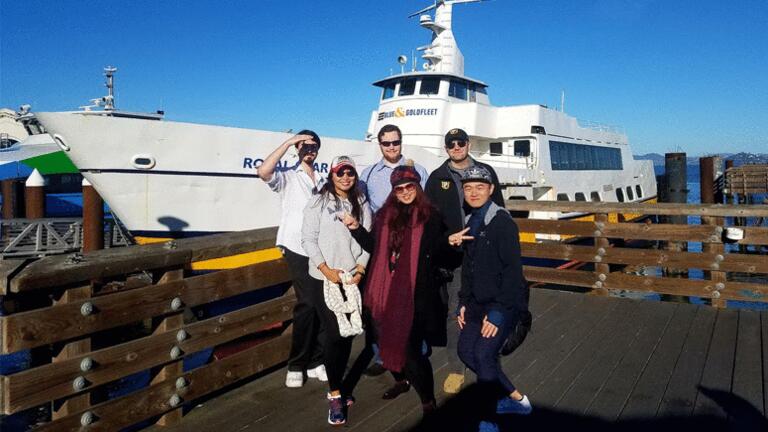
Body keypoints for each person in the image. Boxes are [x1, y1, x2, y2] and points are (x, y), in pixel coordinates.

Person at [342, 162, 459, 417]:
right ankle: (401, 381)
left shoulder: (431, 216)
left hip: (415, 293)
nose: (405, 192)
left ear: (417, 187)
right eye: (399, 188)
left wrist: (448, 243)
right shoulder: (385, 216)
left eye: (410, 186)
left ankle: (427, 400)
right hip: (383, 289)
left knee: (410, 350)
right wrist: (356, 230)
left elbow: (435, 252)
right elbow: (374, 246)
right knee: (382, 339)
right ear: (393, 191)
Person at [448, 165, 532, 431]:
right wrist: (462, 302)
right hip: (476, 303)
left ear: (491, 190)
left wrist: (497, 314)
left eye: (480, 187)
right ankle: (517, 400)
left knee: (484, 355)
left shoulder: (502, 223)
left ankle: (489, 419)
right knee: (465, 350)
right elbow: (469, 269)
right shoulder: (472, 220)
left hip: (503, 305)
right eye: (468, 187)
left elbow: (512, 274)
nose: (473, 192)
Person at [425, 128, 505, 394]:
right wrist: (446, 241)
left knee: (488, 305)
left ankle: (486, 359)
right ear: (446, 147)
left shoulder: (486, 171)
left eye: (460, 142)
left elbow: (500, 210)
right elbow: (430, 221)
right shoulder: (437, 178)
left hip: (484, 251)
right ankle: (456, 368)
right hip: (455, 256)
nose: (456, 147)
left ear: (468, 144)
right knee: (455, 312)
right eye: (451, 144)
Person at [302, 155, 372, 426]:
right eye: (340, 172)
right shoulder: (318, 201)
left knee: (348, 335)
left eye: (350, 173)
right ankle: (335, 394)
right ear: (332, 175)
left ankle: (340, 385)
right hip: (324, 277)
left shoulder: (362, 203)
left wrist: (361, 269)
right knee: (334, 334)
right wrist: (324, 268)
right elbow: (307, 239)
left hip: (352, 276)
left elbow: (368, 240)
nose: (345, 177)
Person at [257, 130, 327, 388]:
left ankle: (317, 360)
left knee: (323, 304)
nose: (309, 150)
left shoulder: (321, 178)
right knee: (307, 304)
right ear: (297, 149)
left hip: (320, 248)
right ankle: (297, 364)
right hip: (296, 247)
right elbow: (263, 172)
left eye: (313, 146)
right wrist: (288, 142)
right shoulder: (288, 176)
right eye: (304, 146)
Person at [360, 124, 428, 213]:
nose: (391, 147)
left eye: (395, 143)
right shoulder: (367, 174)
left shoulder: (419, 171)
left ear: (401, 143)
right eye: (386, 144)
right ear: (380, 145)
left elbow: (427, 203)